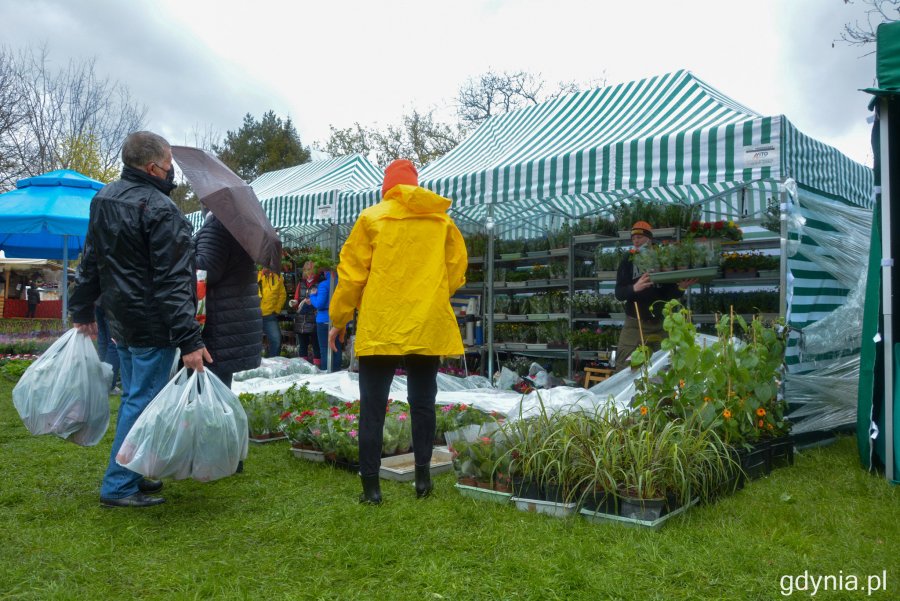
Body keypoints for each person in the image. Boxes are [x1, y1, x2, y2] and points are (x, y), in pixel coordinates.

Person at [69, 130, 211, 509]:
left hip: (123, 320)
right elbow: (172, 282)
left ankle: (133, 470)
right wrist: (190, 340)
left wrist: (82, 309)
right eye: (168, 166)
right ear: (152, 167)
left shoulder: (104, 198)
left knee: (137, 397)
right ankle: (118, 485)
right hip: (151, 323)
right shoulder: (161, 210)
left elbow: (91, 261)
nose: (171, 173)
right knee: (141, 401)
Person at [328, 159, 467, 504]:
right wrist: (432, 295)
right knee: (423, 403)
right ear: (415, 185)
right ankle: (423, 481)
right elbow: (457, 269)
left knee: (373, 408)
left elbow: (352, 276)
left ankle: (371, 489)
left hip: (382, 324)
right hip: (425, 324)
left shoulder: (372, 218)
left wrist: (339, 319)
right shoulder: (441, 221)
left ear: (385, 187)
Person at [613, 221, 697, 372]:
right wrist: (634, 288)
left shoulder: (662, 258)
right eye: (633, 238)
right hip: (635, 324)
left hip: (659, 325)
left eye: (639, 237)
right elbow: (619, 293)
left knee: (662, 367)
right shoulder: (628, 260)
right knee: (625, 366)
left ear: (649, 238)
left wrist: (680, 288)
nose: (636, 241)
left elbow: (667, 293)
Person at [194, 208, 263, 389]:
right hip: (232, 320)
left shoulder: (216, 225)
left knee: (210, 394)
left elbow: (206, 271)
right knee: (220, 389)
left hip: (219, 323)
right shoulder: (237, 225)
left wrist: (186, 249)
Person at [289, 260, 321, 366]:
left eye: (312, 270)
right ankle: (304, 368)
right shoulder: (301, 283)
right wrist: (294, 302)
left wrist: (312, 302)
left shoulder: (319, 283)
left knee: (317, 345)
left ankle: (318, 368)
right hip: (301, 319)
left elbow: (322, 300)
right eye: (307, 270)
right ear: (304, 271)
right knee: (303, 346)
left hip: (314, 319)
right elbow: (297, 298)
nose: (310, 272)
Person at [311, 268, 342, 372]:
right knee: (337, 347)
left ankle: (326, 372)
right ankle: (337, 372)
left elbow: (319, 304)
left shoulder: (324, 284)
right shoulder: (342, 283)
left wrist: (312, 295)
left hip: (324, 319)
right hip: (339, 319)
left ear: (326, 272)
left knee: (324, 348)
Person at [258, 267, 286, 357]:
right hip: (253, 315)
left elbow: (282, 295)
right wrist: (261, 274)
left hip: (269, 315)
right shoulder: (254, 274)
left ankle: (272, 364)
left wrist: (277, 310)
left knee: (276, 341)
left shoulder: (278, 277)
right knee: (251, 343)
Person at [95, 303, 120, 393]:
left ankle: (101, 382)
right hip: (113, 300)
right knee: (114, 343)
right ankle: (109, 384)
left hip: (99, 299)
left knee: (103, 341)